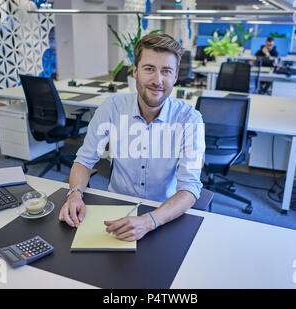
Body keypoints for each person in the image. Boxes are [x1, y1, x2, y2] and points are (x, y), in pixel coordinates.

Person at [59, 33, 205, 241]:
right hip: (115, 208)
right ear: (135, 71)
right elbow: (84, 159)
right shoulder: (112, 108)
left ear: (175, 77)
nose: (158, 80)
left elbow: (190, 188)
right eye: (149, 69)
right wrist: (74, 193)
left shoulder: (190, 119)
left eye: (166, 71)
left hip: (163, 213)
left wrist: (149, 221)